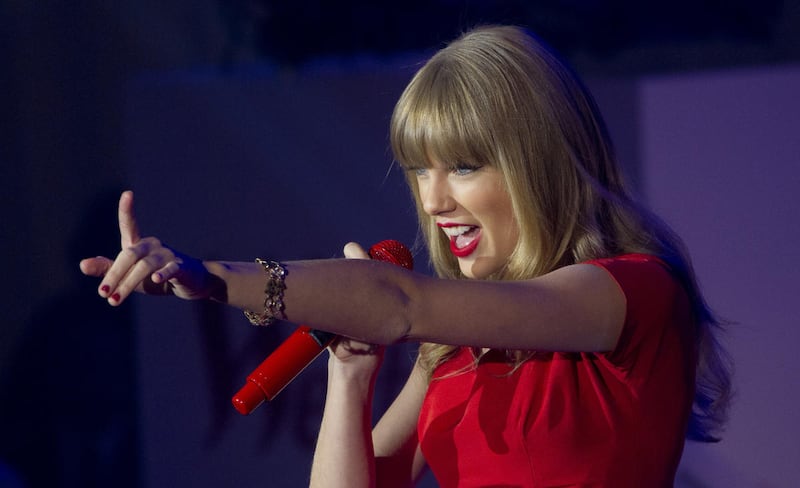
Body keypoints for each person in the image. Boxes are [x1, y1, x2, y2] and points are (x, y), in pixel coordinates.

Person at [80, 25, 732, 487]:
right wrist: (350, 377)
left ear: (539, 163)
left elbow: (398, 302)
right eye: (420, 169)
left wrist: (212, 278)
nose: (434, 199)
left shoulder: (631, 291)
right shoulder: (451, 345)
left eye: (464, 166)